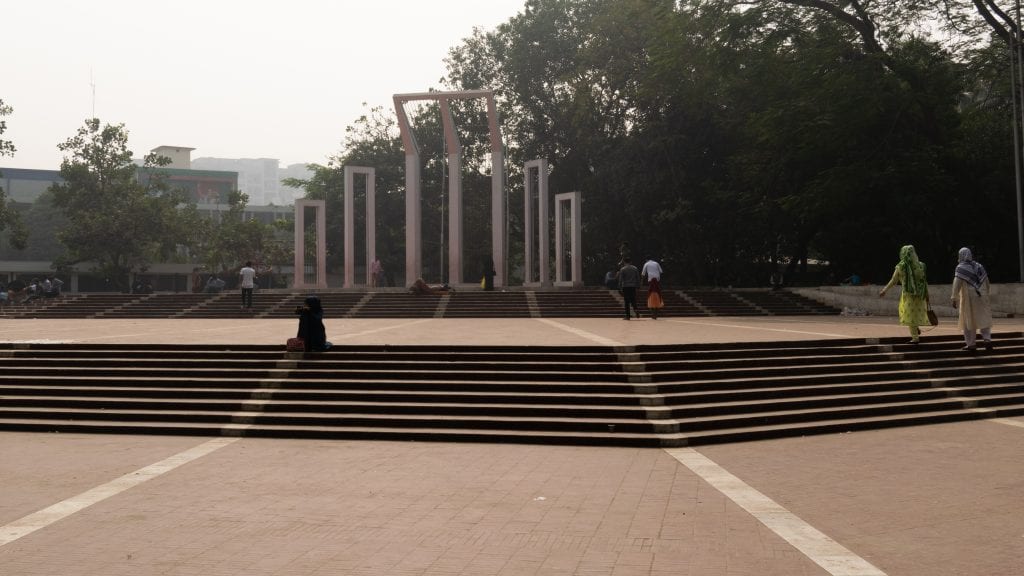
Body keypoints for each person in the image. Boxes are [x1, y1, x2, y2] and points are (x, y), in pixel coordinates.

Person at [878, 245, 930, 344]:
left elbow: (894, 280)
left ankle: (915, 338)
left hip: (908, 295)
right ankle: (916, 328)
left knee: (908, 315)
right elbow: (924, 282)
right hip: (920, 295)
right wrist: (927, 294)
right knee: (915, 314)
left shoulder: (901, 266)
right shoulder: (921, 265)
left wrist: (884, 290)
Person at [950, 247, 993, 351]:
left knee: (968, 320)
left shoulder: (961, 267)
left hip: (969, 298)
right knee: (984, 318)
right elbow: (986, 282)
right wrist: (986, 295)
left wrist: (954, 298)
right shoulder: (979, 266)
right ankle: (987, 340)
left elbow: (957, 284)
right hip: (981, 296)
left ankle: (971, 344)